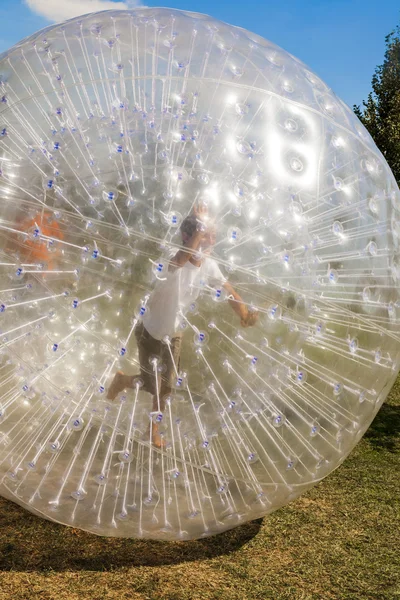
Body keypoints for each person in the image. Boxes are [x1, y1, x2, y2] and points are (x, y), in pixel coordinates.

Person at [107, 203, 258, 447]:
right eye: (204, 234)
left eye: (213, 236)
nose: (210, 240)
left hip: (173, 333)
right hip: (150, 329)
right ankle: (123, 381)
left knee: (165, 387)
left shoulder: (209, 265)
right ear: (187, 236)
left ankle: (152, 431)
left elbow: (227, 289)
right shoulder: (171, 257)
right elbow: (180, 259)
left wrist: (243, 311)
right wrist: (200, 226)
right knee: (149, 384)